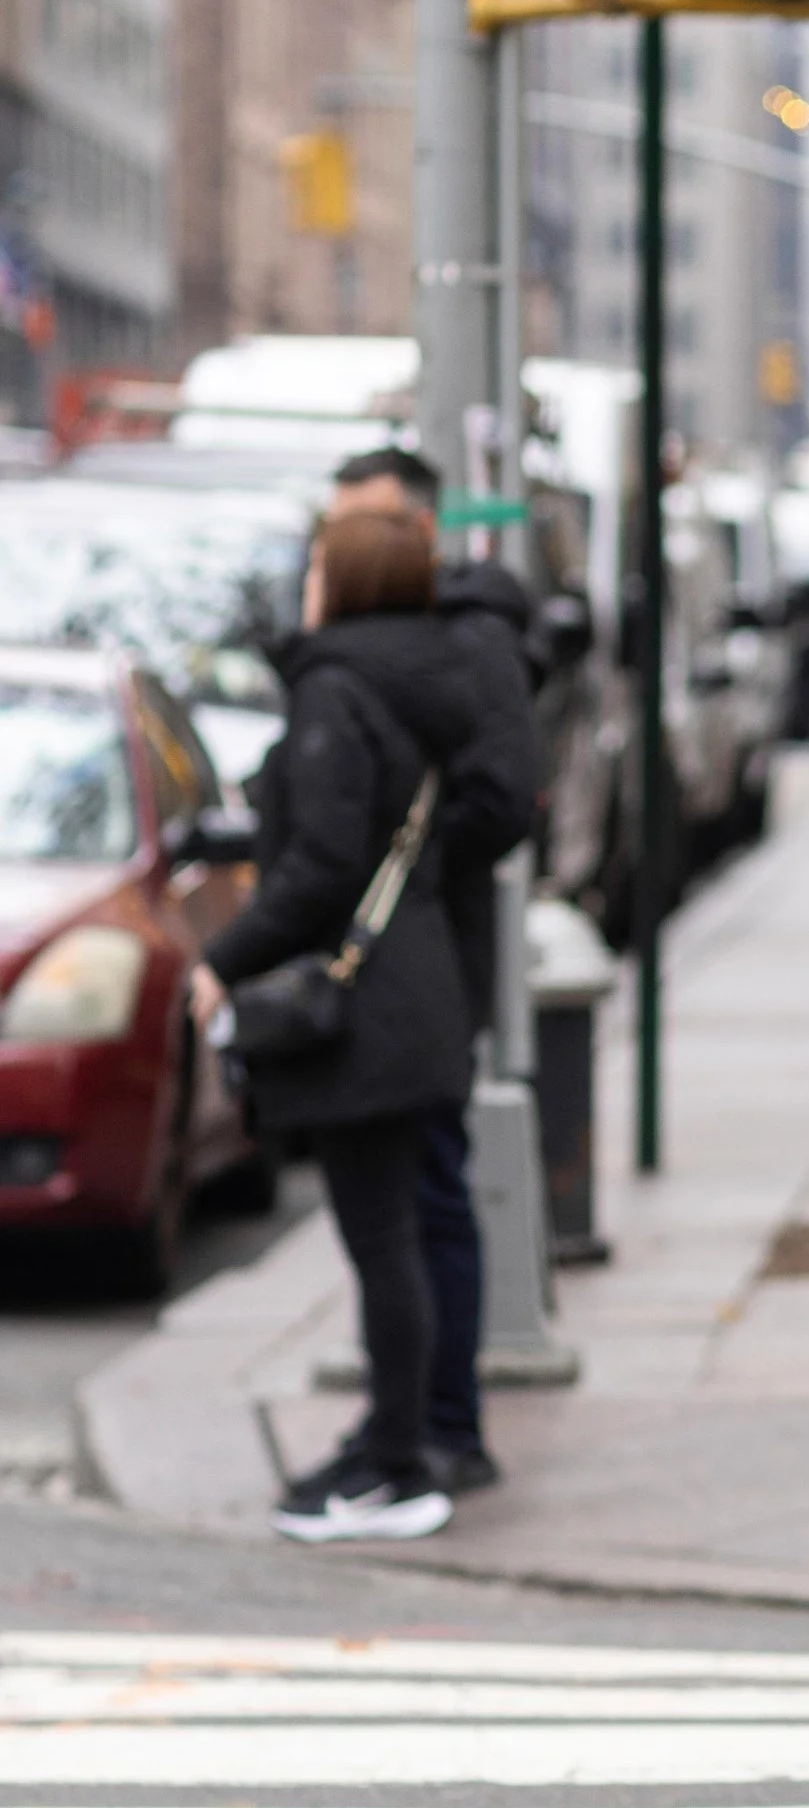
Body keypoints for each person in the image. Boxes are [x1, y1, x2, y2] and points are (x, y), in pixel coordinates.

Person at [189, 507, 485, 1541]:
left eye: (319, 563)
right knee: (394, 1231)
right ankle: (393, 1444)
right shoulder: (425, 679)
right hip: (418, 989)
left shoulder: (336, 688)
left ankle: (396, 1467)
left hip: (367, 1013)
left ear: (348, 579)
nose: (305, 581)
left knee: (382, 1239)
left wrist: (222, 960)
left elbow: (318, 864)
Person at [327, 448, 540, 1491]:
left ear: (419, 531)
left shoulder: (469, 636)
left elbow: (503, 796)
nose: (343, 547)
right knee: (403, 1203)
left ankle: (443, 1425)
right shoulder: (392, 638)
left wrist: (413, 871)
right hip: (399, 952)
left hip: (432, 957)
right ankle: (405, 1416)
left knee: (430, 1193)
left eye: (362, 526)